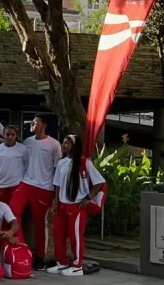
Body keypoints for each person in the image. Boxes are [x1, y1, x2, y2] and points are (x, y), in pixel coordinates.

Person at [8, 114, 61, 270]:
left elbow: (57, 170)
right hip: (26, 183)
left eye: (35, 122)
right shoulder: (28, 142)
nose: (31, 124)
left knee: (40, 224)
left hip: (45, 188)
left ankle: (40, 257)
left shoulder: (54, 144)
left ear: (43, 125)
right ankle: (21, 246)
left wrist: (56, 196)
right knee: (12, 211)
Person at [48, 135, 105, 276]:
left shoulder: (84, 162)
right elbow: (57, 184)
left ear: (74, 146)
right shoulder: (61, 162)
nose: (64, 145)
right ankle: (61, 262)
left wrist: (88, 198)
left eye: (67, 143)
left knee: (75, 236)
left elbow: (99, 182)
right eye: (63, 142)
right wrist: (55, 201)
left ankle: (77, 265)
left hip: (76, 205)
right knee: (58, 234)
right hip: (62, 204)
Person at [0, 125, 29, 204]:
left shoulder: (23, 149)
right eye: (8, 134)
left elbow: (27, 167)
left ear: (16, 135)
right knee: (1, 210)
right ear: (4, 135)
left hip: (16, 185)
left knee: (14, 211)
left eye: (13, 134)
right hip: (0, 185)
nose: (10, 137)